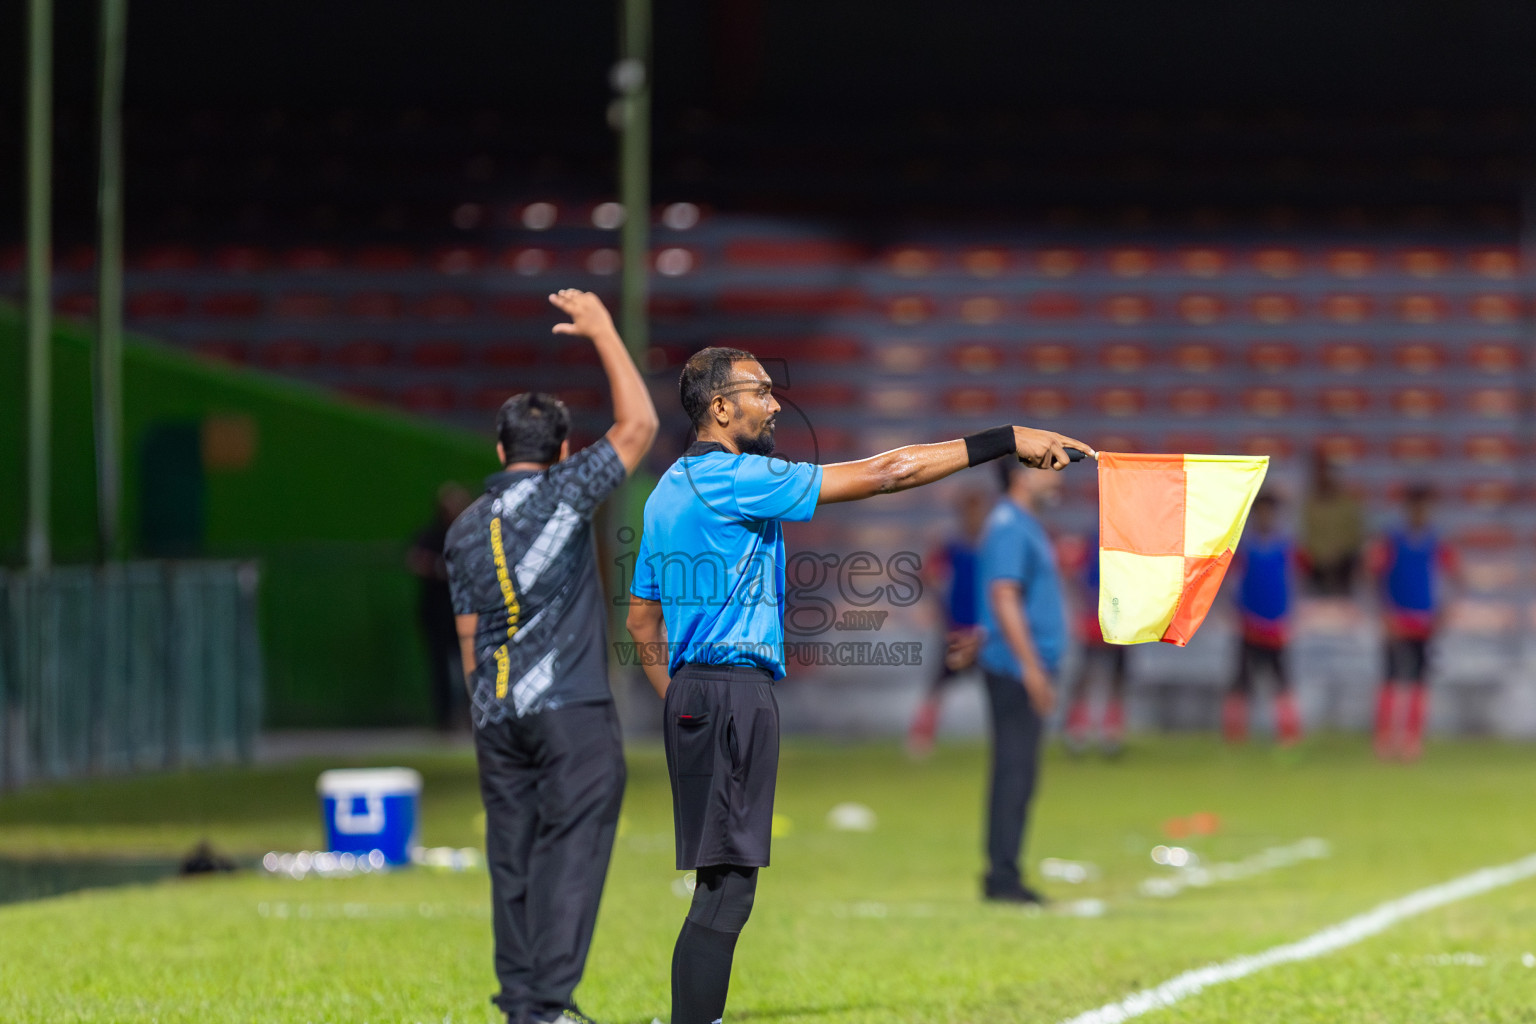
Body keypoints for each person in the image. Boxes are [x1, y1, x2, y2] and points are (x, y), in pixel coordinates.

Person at [624, 346, 1092, 1024]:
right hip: (731, 694)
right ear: (720, 408)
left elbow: (641, 618)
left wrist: (682, 701)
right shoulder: (733, 477)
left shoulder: (668, 487)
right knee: (726, 895)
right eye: (761, 391)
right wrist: (1007, 440)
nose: (776, 403)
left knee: (717, 887)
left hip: (701, 692)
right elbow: (886, 472)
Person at [445, 290, 658, 1024]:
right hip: (570, 713)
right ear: (563, 450)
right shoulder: (568, 493)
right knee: (571, 852)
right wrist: (602, 329)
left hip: (496, 716)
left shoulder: (465, 528)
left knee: (513, 862)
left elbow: (469, 632)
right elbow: (640, 426)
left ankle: (520, 1004)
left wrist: (486, 707)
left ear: (500, 450)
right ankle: (547, 1007)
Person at [975, 460, 1070, 903]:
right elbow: (1004, 595)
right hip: (1014, 669)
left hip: (1021, 666)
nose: (1058, 476)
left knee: (1019, 772)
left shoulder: (1021, 523)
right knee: (1015, 772)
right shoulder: (1010, 524)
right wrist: (1031, 668)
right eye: (1048, 468)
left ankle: (1004, 872)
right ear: (1021, 475)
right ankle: (1003, 878)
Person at [1369, 483, 1459, 761]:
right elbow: (1374, 575)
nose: (1419, 512)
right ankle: (1385, 739)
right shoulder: (1392, 541)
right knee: (1391, 678)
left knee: (1419, 680)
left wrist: (1445, 610)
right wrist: (1383, 613)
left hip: (1423, 621)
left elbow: (1455, 574)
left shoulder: (1435, 541)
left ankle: (1411, 739)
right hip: (1396, 620)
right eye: (1415, 506)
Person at [906, 488, 989, 757]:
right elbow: (926, 574)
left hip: (985, 634)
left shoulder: (992, 547)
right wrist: (935, 598)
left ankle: (1003, 737)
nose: (974, 517)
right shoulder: (952, 546)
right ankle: (921, 738)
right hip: (956, 630)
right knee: (937, 685)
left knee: (998, 685)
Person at [1222, 492, 1302, 746]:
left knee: (1281, 682)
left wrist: (1292, 617)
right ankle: (1235, 735)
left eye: (1270, 512)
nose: (1266, 517)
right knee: (1241, 682)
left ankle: (1287, 732)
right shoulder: (1244, 548)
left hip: (1276, 628)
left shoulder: (1286, 548)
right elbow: (1229, 583)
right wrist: (1235, 612)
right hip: (1250, 627)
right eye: (1262, 512)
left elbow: (1295, 584)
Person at [408, 482, 474, 731]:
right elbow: (415, 559)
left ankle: (473, 717)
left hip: (468, 613)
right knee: (441, 670)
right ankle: (445, 720)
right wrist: (438, 568)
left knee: (473, 666)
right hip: (437, 613)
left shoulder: (472, 534)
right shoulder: (431, 535)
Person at [1060, 529, 1128, 757]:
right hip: (1094, 628)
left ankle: (1110, 734)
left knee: (1114, 682)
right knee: (1086, 681)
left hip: (1117, 629)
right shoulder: (1090, 545)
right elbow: (1069, 574)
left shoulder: (1125, 548)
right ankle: (1079, 732)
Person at [1299, 449, 1365, 596]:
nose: (1324, 477)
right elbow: (1304, 537)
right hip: (1316, 567)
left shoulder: (1348, 504)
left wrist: (1337, 553)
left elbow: (1355, 535)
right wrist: (1321, 554)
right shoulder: (1309, 505)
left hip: (1343, 565)